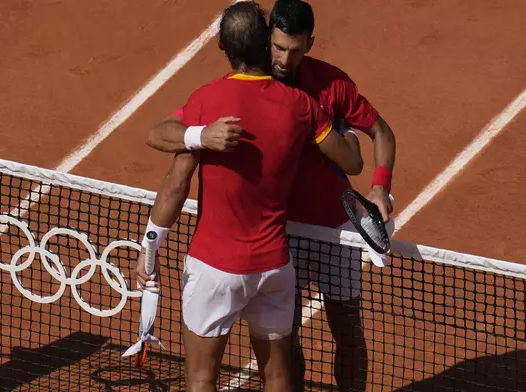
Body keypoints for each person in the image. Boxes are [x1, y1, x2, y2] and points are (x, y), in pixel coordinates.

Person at [146, 1, 397, 390]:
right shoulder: (278, 100)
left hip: (332, 228)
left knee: (346, 328)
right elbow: (351, 157)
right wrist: (202, 134)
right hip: (284, 236)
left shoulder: (331, 86)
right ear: (266, 42)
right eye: (277, 48)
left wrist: (381, 185)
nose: (284, 58)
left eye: (294, 50)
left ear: (309, 44)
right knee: (286, 343)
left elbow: (379, 134)